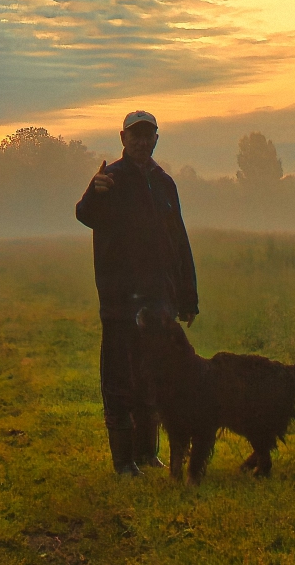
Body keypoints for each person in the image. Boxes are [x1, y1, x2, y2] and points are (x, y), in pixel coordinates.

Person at [75, 110, 199, 476]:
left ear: (157, 139)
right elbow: (85, 214)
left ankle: (148, 452)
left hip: (159, 299)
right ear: (123, 139)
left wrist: (187, 298)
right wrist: (93, 192)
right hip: (119, 300)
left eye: (148, 136)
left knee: (154, 377)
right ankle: (124, 461)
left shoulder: (165, 184)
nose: (142, 142)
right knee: (119, 379)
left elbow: (179, 241)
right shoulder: (109, 179)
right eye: (135, 136)